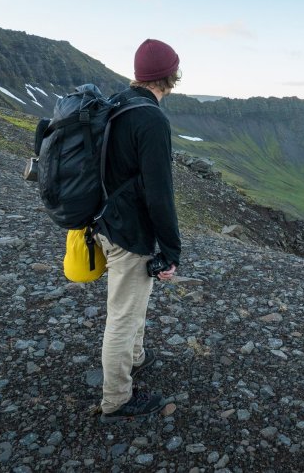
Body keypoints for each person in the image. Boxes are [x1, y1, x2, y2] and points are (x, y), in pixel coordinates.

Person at [95, 38, 183, 422]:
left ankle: (136, 357)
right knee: (123, 315)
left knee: (131, 300)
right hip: (128, 231)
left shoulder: (117, 103)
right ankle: (116, 399)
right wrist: (172, 249)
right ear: (171, 75)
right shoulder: (151, 118)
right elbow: (159, 194)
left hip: (103, 219)